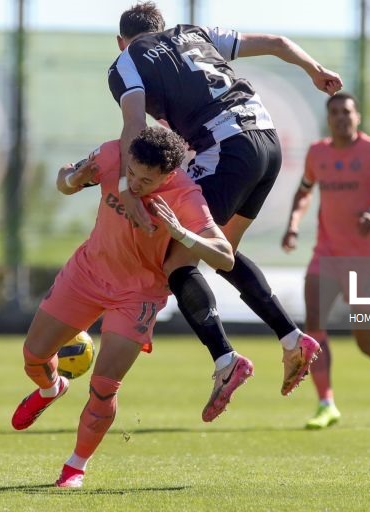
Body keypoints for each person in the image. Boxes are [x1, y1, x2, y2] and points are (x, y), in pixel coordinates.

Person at [107, 1, 342, 420]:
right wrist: (315, 70)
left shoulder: (127, 59)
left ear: (121, 40)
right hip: (267, 141)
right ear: (161, 27)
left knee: (178, 259)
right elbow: (277, 42)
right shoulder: (193, 32)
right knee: (223, 250)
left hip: (225, 146)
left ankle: (225, 360)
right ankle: (293, 340)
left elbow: (134, 127)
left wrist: (127, 187)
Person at [10, 127, 237, 488]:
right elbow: (63, 182)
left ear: (168, 175)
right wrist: (73, 178)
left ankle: (75, 467)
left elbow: (225, 257)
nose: (134, 182)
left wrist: (180, 233)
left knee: (103, 386)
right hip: (86, 273)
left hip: (138, 294)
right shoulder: (113, 153)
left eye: (147, 180)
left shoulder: (186, 194)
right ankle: (52, 389)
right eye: (132, 172)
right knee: (33, 357)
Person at [281, 92, 370, 429]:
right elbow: (304, 190)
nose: (342, 117)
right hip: (325, 254)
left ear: (357, 117)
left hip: (366, 258)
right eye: (335, 112)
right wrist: (293, 227)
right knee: (313, 326)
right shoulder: (318, 153)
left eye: (347, 111)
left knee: (365, 341)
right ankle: (326, 403)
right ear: (328, 119)